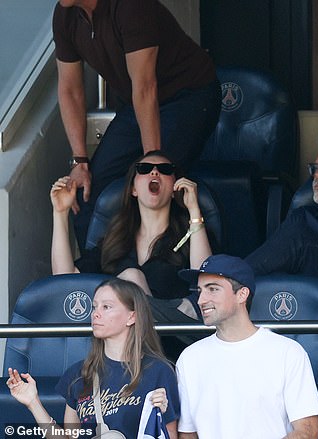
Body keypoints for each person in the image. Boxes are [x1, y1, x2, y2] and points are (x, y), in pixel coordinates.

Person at [53, 0, 221, 251]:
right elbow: (69, 89)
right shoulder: (65, 15)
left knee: (158, 186)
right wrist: (80, 161)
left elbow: (146, 87)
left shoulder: (132, 6)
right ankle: (99, 277)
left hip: (189, 96)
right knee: (88, 189)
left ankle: (170, 271)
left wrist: (151, 165)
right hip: (136, 104)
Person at [6, 278, 180, 438]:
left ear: (131, 316)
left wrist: (162, 414)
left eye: (106, 307)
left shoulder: (159, 371)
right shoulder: (78, 373)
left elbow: (171, 435)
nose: (96, 314)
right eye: (94, 307)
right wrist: (33, 402)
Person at [175, 254, 318, 439]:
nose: (200, 300)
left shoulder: (287, 352)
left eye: (212, 289)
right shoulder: (190, 358)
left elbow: (307, 431)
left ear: (242, 294)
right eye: (200, 291)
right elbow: (187, 434)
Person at [51, 150, 212, 303]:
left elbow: (206, 287)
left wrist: (194, 210)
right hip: (121, 329)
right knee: (131, 277)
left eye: (165, 169)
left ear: (174, 189)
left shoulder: (192, 235)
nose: (154, 172)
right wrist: (60, 213)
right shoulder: (115, 241)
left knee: (132, 276)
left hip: (168, 330)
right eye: (144, 169)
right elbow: (65, 282)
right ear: (133, 189)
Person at [245, 126, 318, 301]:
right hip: (306, 309)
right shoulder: (305, 217)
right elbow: (262, 263)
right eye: (316, 167)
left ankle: (220, 290)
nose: (317, 175)